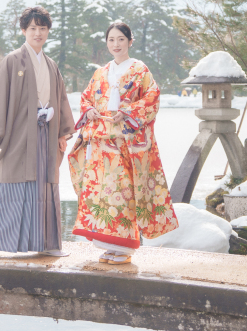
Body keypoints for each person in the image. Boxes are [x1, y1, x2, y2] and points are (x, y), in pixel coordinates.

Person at [68, 22, 178, 265]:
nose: (116, 45)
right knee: (102, 194)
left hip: (125, 143)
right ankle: (108, 245)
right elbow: (86, 98)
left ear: (130, 41)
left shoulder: (140, 70)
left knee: (124, 193)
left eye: (120, 39)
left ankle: (125, 248)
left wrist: (127, 112)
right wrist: (91, 112)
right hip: (100, 143)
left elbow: (152, 98)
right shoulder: (100, 72)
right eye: (111, 40)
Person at [0, 6, 75, 260]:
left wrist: (63, 132)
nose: (38, 33)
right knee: (11, 182)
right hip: (19, 134)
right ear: (23, 30)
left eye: (43, 29)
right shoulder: (12, 61)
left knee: (45, 184)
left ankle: (48, 242)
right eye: (33, 28)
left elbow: (60, 99)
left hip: (45, 132)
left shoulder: (51, 65)